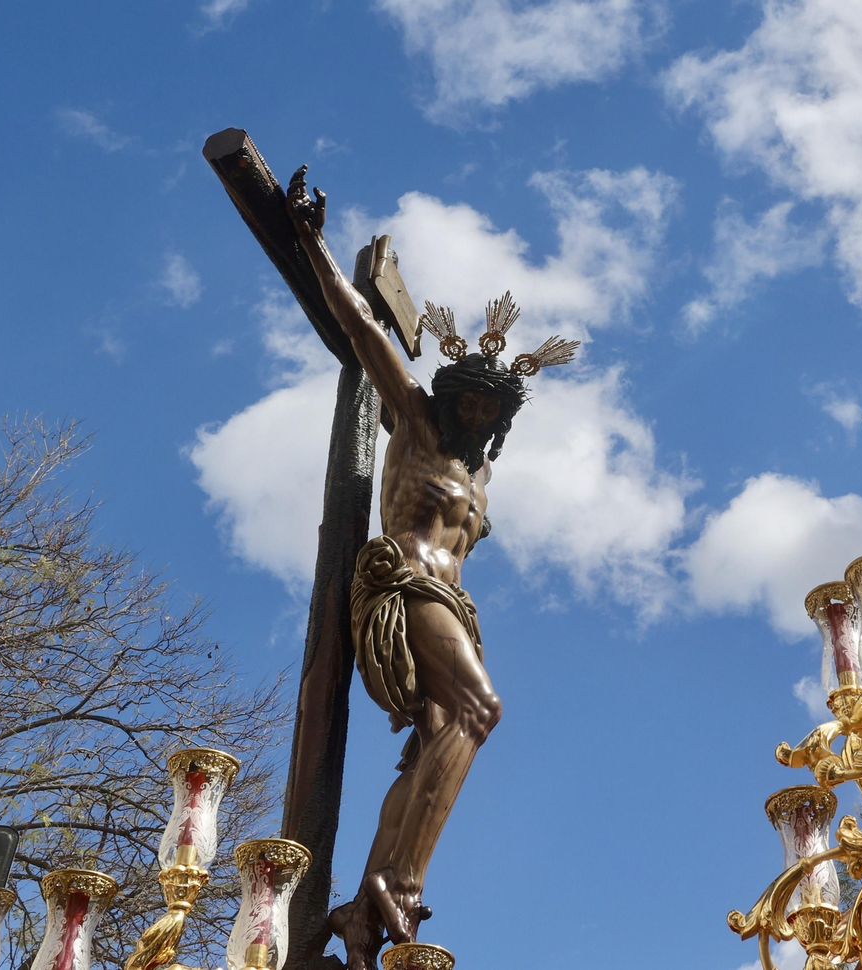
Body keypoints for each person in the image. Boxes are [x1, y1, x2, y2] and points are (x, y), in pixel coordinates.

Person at [286, 165, 576, 970]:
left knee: (444, 736)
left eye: (491, 409)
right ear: (449, 394)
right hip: (404, 581)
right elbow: (361, 329)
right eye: (469, 401)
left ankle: (361, 905)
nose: (475, 414)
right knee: (481, 711)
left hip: (454, 602)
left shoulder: (479, 476)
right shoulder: (413, 422)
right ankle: (400, 886)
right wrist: (310, 241)